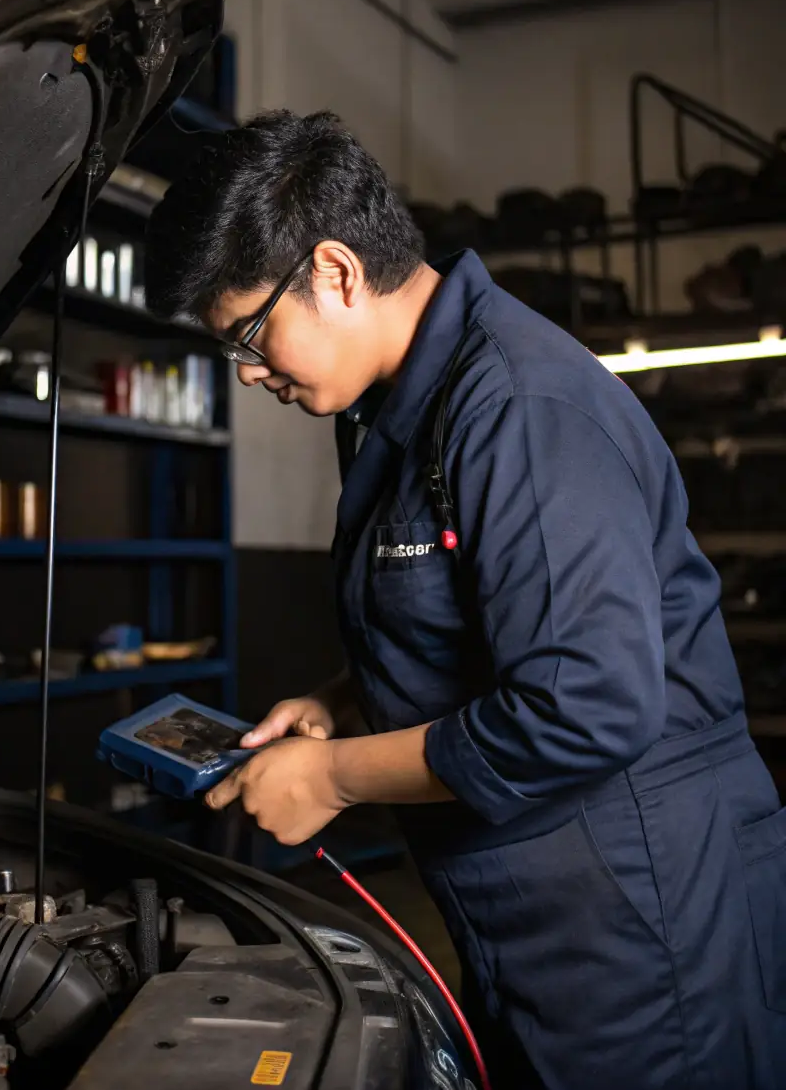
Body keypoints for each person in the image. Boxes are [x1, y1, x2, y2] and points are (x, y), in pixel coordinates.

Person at [144, 109, 786, 1090]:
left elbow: (589, 705)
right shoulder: (395, 411)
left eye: (250, 335)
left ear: (336, 272)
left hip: (632, 914)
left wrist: (333, 776)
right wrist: (340, 702)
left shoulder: (519, 408)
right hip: (524, 903)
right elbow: (461, 617)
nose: (249, 371)